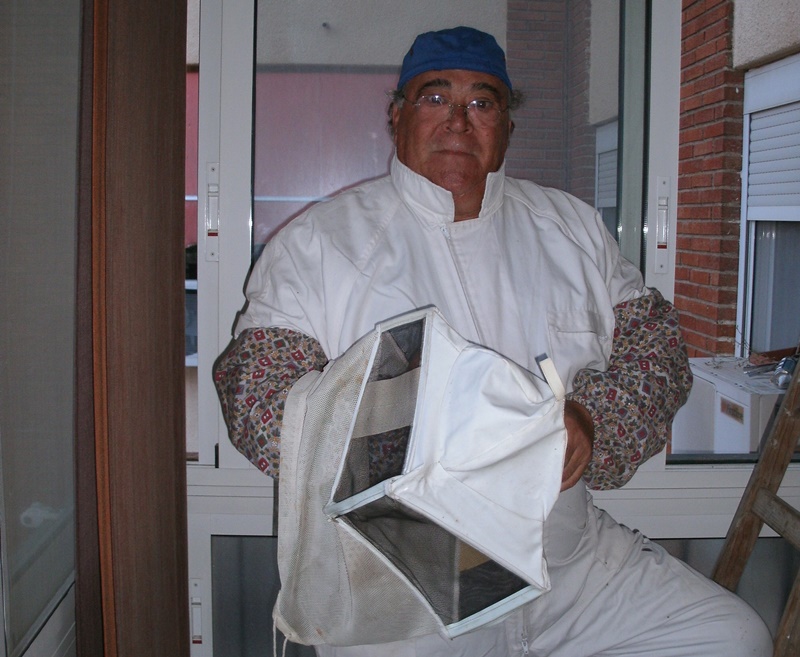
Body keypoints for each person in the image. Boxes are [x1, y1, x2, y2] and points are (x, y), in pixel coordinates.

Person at [215, 26, 772, 657]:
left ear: (507, 125)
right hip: (408, 592)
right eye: (435, 98)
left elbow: (657, 351)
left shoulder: (572, 229)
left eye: (482, 102)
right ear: (396, 116)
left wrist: (592, 420)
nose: (458, 121)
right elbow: (260, 398)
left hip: (570, 569)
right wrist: (445, 435)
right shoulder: (319, 244)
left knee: (733, 637)